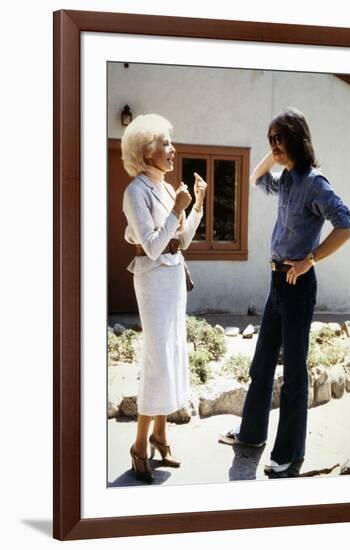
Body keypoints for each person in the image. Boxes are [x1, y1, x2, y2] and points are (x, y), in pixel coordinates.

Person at [219, 108, 350, 477]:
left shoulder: (314, 182)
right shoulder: (288, 179)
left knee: (294, 373)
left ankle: (290, 454)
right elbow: (254, 177)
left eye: (280, 138)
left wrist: (311, 259)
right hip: (276, 283)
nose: (274, 145)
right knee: (261, 365)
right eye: (271, 139)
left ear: (297, 138)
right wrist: (274, 152)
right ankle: (250, 434)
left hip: (297, 285)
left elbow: (346, 224)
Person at [121, 113, 207, 482]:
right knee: (157, 359)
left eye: (170, 143)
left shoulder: (169, 188)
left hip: (173, 279)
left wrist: (197, 204)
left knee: (171, 354)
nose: (173, 150)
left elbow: (182, 241)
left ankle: (160, 435)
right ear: (145, 151)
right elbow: (154, 248)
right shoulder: (135, 192)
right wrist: (176, 210)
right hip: (153, 279)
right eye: (165, 144)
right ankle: (139, 444)